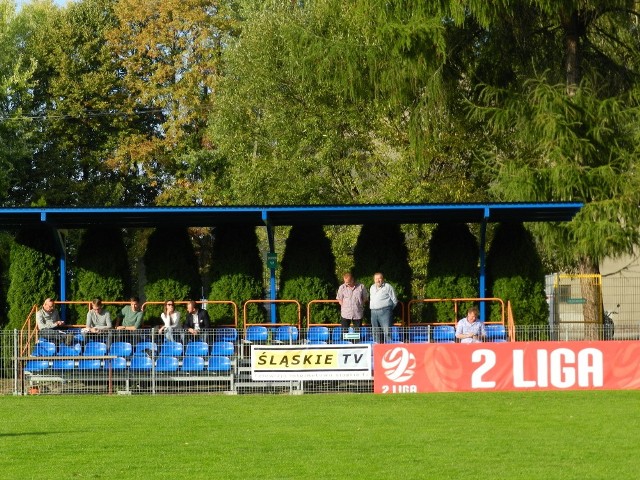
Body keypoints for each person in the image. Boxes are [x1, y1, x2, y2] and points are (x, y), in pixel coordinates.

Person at [369, 272, 398, 343]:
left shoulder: (388, 287)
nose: (378, 280)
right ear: (374, 280)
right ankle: (377, 347)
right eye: (376, 279)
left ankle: (388, 348)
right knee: (375, 332)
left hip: (385, 311)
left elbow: (394, 300)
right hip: (373, 312)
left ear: (383, 279)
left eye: (379, 278)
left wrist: (388, 309)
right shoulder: (372, 287)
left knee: (387, 331)